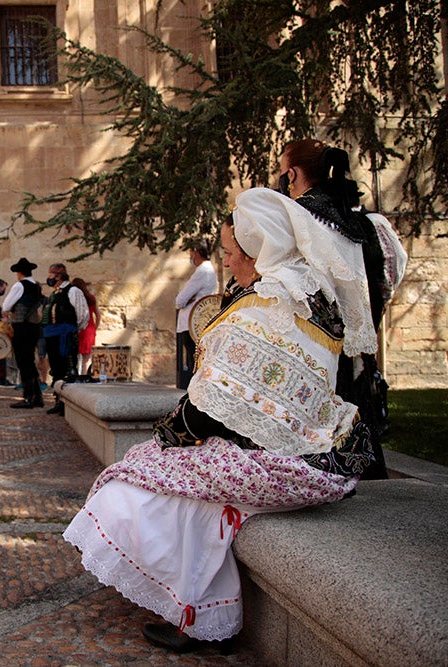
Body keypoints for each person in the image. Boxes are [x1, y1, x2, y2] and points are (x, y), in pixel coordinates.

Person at [63, 188, 375, 653]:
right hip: (317, 454)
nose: (227, 261)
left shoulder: (266, 306)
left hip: (279, 463)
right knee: (168, 477)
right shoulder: (308, 296)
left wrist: (173, 433)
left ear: (258, 251)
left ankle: (198, 616)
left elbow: (210, 412)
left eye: (230, 253)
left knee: (138, 485)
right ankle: (201, 611)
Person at [278, 139, 407, 478]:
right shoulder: (357, 220)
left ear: (292, 173)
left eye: (282, 172)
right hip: (352, 341)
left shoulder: (300, 215)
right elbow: (389, 271)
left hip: (314, 341)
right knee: (356, 418)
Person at [42, 263, 89, 415]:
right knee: (56, 368)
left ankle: (68, 403)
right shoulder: (55, 293)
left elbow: (82, 314)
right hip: (53, 335)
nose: (48, 278)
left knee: (68, 367)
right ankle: (58, 400)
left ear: (58, 276)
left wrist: (72, 330)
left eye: (51, 275)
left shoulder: (73, 290)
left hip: (66, 335)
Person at [174, 241, 219, 389]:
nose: (191, 257)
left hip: (191, 322)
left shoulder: (202, 271)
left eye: (192, 253)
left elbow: (180, 300)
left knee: (193, 360)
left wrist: (184, 300)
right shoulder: (209, 270)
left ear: (197, 253)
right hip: (198, 321)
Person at [1, 257, 44, 409]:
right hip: (34, 327)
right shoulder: (37, 286)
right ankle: (37, 396)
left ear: (19, 273)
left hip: (22, 327)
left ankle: (28, 398)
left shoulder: (20, 285)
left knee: (23, 362)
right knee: (29, 362)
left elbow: (6, 305)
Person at [71, 278, 100, 376]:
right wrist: (95, 328)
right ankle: (85, 376)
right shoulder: (91, 298)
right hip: (90, 327)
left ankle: (75, 375)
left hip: (77, 326)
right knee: (86, 357)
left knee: (75, 354)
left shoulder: (77, 298)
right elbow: (98, 315)